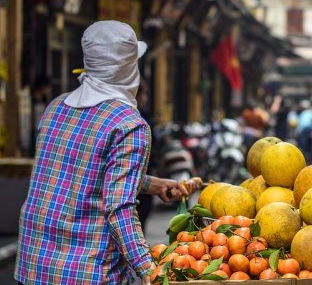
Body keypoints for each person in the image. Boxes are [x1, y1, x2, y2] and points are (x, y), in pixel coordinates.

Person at [15, 21, 194, 285]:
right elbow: (118, 207)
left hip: (33, 267)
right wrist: (148, 269)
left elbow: (82, 172)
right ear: (130, 68)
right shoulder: (129, 124)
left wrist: (152, 185)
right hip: (87, 273)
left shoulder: (55, 108)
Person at [135, 80, 154, 232]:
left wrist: (157, 185)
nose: (146, 98)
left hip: (144, 174)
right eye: (144, 94)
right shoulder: (135, 122)